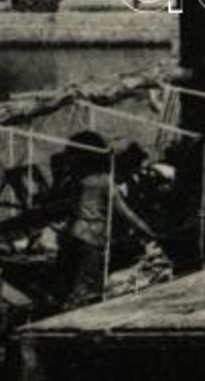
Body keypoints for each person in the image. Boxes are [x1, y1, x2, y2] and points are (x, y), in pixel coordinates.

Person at [57, 131, 161, 308]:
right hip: (92, 237)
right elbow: (125, 213)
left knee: (70, 286)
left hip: (73, 234)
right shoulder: (104, 181)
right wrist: (149, 232)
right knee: (85, 290)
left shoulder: (77, 180)